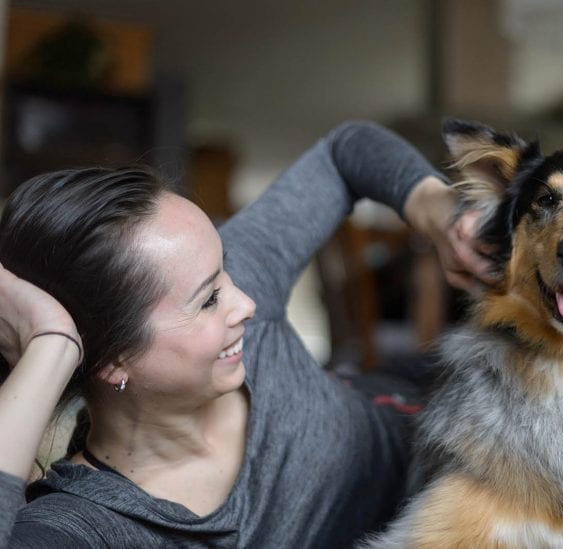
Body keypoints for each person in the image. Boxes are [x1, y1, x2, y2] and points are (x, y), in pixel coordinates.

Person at [0, 121, 495, 547]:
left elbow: (346, 152)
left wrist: (439, 213)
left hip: (436, 415)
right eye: (209, 300)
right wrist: (52, 345)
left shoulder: (229, 286)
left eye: (225, 274)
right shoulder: (92, 525)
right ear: (114, 361)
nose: (247, 303)